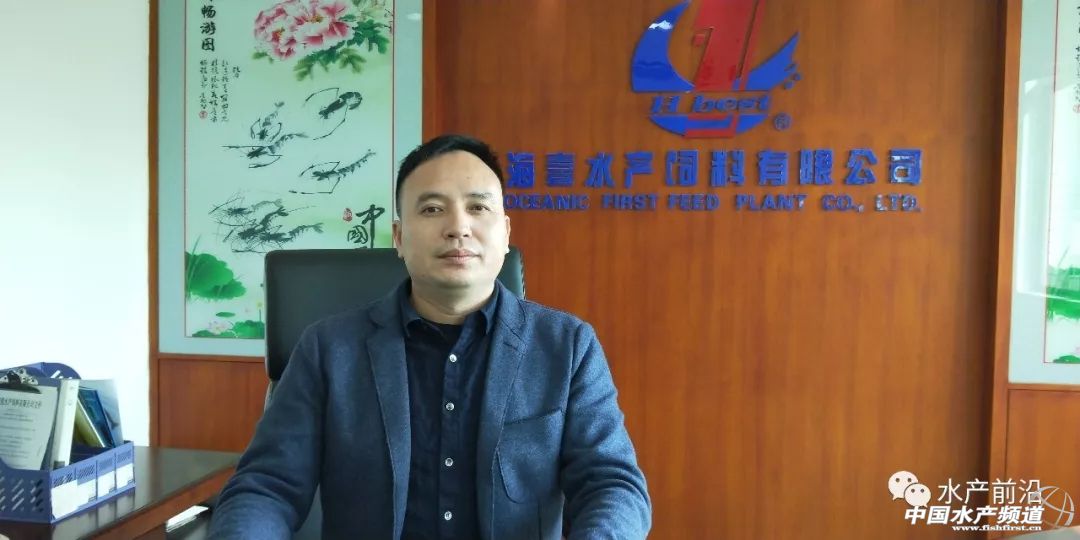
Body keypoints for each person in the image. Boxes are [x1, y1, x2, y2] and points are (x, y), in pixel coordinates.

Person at [208, 134, 651, 539]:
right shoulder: (328, 350)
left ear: (505, 233)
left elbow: (611, 484)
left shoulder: (567, 347)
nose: (458, 227)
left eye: (478, 208)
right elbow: (267, 487)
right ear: (399, 237)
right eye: (432, 209)